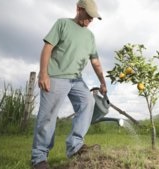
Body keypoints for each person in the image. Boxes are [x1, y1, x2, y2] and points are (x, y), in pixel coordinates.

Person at [31, 0, 107, 168]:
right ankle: (39, 159)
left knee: (88, 102)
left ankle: (75, 146)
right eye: (88, 16)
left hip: (76, 79)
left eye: (93, 18)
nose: (90, 21)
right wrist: (43, 74)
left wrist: (102, 81)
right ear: (78, 9)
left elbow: (95, 61)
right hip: (56, 76)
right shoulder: (62, 24)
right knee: (48, 116)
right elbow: (47, 48)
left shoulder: (90, 36)